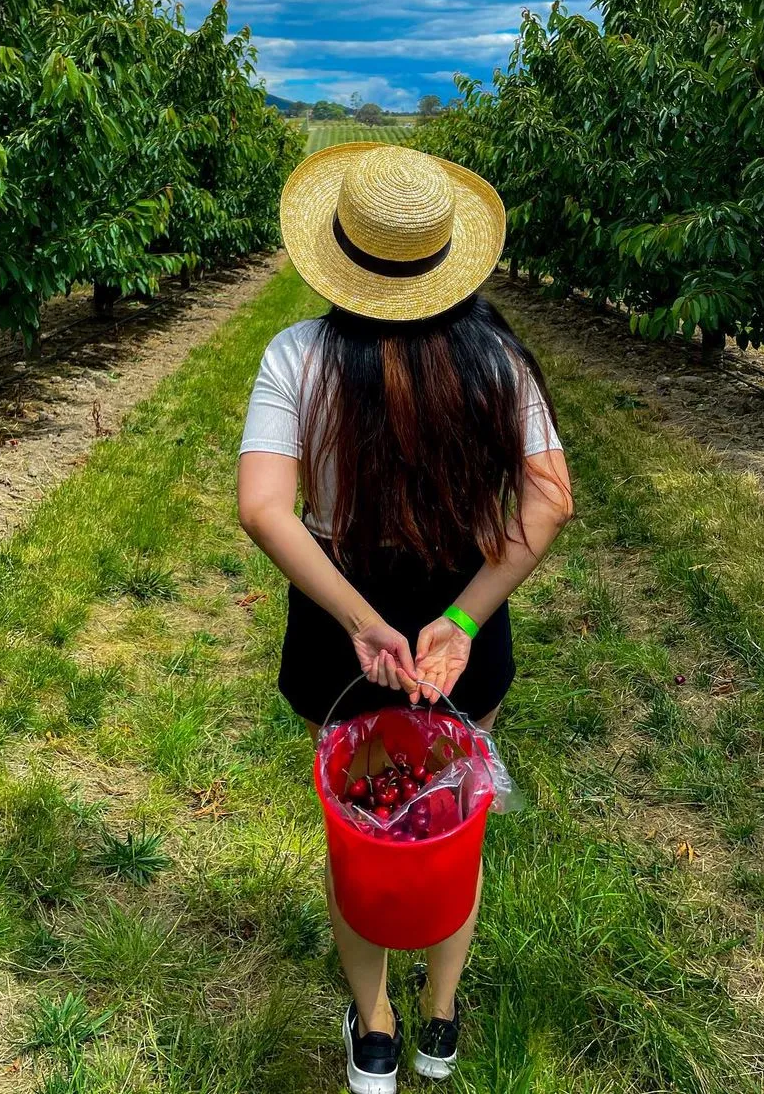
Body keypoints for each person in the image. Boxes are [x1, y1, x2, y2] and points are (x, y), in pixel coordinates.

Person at [237, 142, 573, 1093]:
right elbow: (550, 499)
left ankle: (374, 1029)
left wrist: (356, 617)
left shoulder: (298, 355)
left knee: (363, 830)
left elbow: (265, 506)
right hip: (463, 604)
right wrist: (461, 622)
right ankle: (439, 1021)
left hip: (340, 611)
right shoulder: (496, 357)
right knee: (450, 821)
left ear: (340, 256)